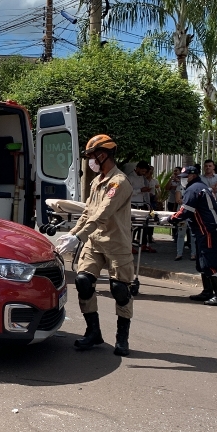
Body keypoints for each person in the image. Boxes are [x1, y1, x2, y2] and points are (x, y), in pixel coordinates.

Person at [55, 135, 135, 355]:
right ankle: (93, 332)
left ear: (103, 155)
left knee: (120, 290)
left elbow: (102, 214)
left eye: (92, 156)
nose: (90, 160)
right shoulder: (96, 181)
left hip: (116, 243)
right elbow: (87, 213)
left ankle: (122, 339)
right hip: (94, 242)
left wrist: (78, 237)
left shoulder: (119, 182)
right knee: (82, 281)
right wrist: (71, 234)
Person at [169, 165, 217, 306]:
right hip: (204, 229)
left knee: (210, 262)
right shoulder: (200, 187)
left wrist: (169, 219)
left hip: (208, 229)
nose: (182, 180)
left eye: (184, 177)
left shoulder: (193, 189)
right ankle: (207, 291)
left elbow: (185, 211)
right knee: (202, 262)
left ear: (192, 176)